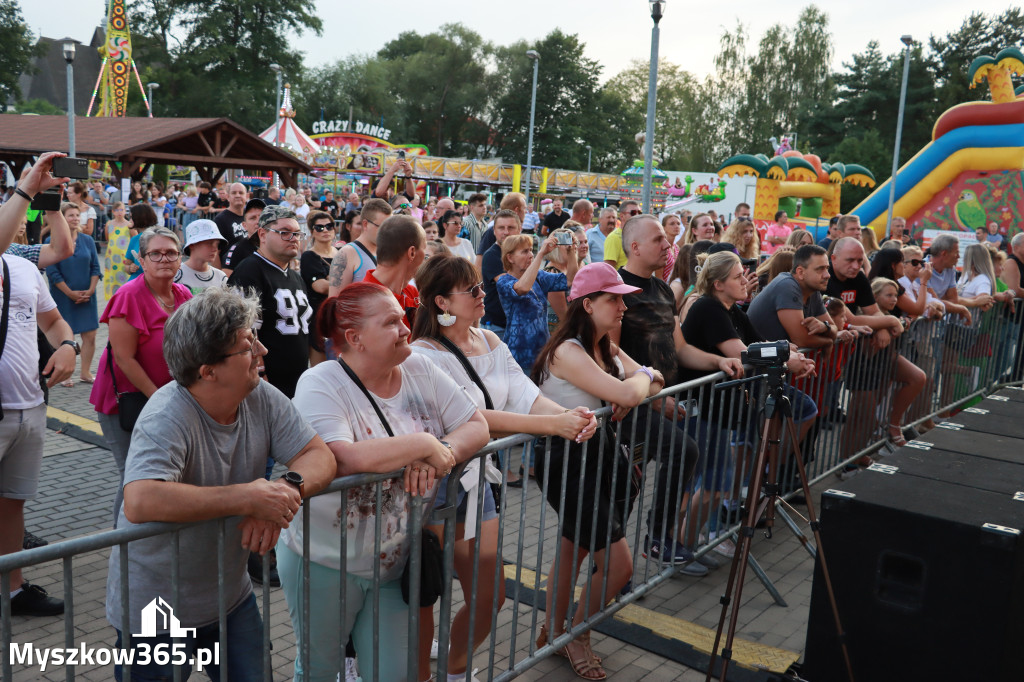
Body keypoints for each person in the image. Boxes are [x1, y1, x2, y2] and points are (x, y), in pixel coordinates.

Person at [106, 287, 335, 682]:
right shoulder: (166, 416)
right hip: (155, 613)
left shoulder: (259, 395)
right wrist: (248, 496)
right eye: (248, 345)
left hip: (230, 600)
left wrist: (285, 492)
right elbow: (140, 500)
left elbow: (319, 455)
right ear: (207, 370)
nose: (262, 351)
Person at [282, 282, 488, 682]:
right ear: (356, 338)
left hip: (393, 561)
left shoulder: (418, 367)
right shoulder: (320, 382)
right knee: (320, 671)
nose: (406, 327)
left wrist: (440, 453)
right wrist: (423, 445)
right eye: (391, 322)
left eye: (402, 316)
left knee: (396, 672)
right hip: (323, 561)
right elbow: (341, 456)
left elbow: (476, 424)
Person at [410, 255, 597, 682]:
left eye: (480, 287)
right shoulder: (424, 355)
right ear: (441, 301)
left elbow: (525, 394)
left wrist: (570, 416)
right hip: (433, 486)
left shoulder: (491, 342)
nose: (482, 295)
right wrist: (554, 424)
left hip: (478, 486)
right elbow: (473, 418)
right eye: (472, 290)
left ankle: (455, 672)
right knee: (421, 599)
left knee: (489, 596)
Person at [530, 262, 669, 679]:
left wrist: (640, 380)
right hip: (568, 459)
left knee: (574, 551)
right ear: (587, 304)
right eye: (614, 298)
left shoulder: (603, 345)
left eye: (623, 297)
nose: (623, 306)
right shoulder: (568, 351)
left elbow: (654, 379)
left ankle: (553, 632)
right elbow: (635, 388)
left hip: (599, 452)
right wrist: (636, 384)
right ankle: (577, 634)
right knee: (619, 567)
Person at [611, 215, 744, 568]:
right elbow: (609, 360)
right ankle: (650, 542)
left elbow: (681, 347)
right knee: (677, 454)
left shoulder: (662, 290)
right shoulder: (616, 289)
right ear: (635, 247)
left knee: (629, 487)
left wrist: (718, 362)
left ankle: (618, 565)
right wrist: (654, 401)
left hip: (660, 401)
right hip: (631, 405)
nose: (668, 244)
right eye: (658, 239)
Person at [680, 251, 816, 556]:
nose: (747, 280)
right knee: (710, 485)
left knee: (713, 485)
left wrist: (791, 352)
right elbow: (744, 353)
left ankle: (684, 543)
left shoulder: (732, 310)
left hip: (719, 411)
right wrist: (786, 358)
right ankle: (682, 547)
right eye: (738, 276)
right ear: (718, 284)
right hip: (703, 410)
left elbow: (762, 345)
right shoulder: (708, 308)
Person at [0, 153, 79, 617]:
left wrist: (67, 344)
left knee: (12, 504)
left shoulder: (25, 268)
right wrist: (28, 187)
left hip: (30, 405)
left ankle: (13, 589)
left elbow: (51, 321)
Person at [89, 227, 192, 523]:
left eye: (171, 253)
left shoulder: (181, 293)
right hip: (128, 402)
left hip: (166, 402)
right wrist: (159, 398)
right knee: (134, 476)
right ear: (142, 260)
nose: (164, 259)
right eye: (155, 254)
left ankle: (153, 538)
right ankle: (123, 547)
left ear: (180, 258)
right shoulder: (128, 296)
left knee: (161, 472)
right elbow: (123, 358)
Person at [227, 204, 311, 400]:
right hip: (266, 384)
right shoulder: (249, 271)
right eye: (285, 232)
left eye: (297, 233)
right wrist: (260, 372)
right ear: (263, 234)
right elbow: (242, 331)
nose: (293, 238)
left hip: (297, 383)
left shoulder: (296, 277)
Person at [497, 234, 577, 372]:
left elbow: (570, 280)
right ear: (510, 258)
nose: (530, 255)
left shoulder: (539, 276)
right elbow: (522, 288)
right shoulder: (503, 281)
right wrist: (541, 254)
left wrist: (571, 253)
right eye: (524, 251)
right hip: (519, 356)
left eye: (531, 250)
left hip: (542, 352)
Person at [45, 203, 101, 385]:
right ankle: (64, 375)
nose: (75, 218)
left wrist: (92, 290)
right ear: (62, 218)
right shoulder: (50, 241)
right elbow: (52, 273)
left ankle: (85, 372)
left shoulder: (88, 240)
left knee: (90, 335)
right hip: (63, 296)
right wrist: (70, 293)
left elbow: (95, 267)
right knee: (65, 337)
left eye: (77, 215)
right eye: (70, 215)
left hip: (87, 296)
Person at [748, 244, 844, 349]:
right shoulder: (787, 285)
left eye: (827, 268)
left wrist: (825, 327)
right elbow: (801, 340)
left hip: (777, 361)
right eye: (820, 269)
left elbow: (834, 328)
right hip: (756, 362)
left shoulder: (813, 290)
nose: (827, 275)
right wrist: (828, 342)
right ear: (800, 272)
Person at [362, 215, 425, 330]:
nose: (426, 258)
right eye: (424, 249)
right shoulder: (365, 300)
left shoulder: (411, 292)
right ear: (412, 252)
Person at [327, 198, 391, 296]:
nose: (387, 232)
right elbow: (334, 301)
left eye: (390, 227)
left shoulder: (386, 253)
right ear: (365, 224)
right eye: (382, 227)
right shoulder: (348, 253)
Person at [300, 210, 338, 366]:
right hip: (318, 318)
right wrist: (341, 280)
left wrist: (331, 279)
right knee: (321, 369)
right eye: (319, 228)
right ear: (312, 232)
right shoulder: (309, 256)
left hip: (339, 317)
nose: (325, 230)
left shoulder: (342, 254)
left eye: (329, 226)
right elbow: (320, 287)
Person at [479, 209, 523, 341]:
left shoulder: (524, 254)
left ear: (519, 229)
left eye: (511, 227)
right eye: (501, 228)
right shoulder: (491, 255)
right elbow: (513, 288)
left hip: (517, 325)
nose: (506, 232)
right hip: (496, 327)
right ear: (494, 231)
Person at [175, 219, 228, 293]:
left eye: (217, 244)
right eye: (209, 243)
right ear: (192, 245)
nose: (215, 249)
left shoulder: (220, 277)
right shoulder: (176, 275)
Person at [221, 198, 267, 277]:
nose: (258, 221)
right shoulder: (237, 251)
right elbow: (227, 282)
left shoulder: (276, 245)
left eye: (262, 217)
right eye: (252, 218)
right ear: (244, 225)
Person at [102, 202, 135, 300]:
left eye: (121, 210)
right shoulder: (109, 224)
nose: (119, 212)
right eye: (117, 210)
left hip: (124, 257)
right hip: (111, 257)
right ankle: (113, 298)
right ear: (113, 212)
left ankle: (124, 298)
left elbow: (135, 240)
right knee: (112, 278)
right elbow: (108, 238)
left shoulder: (129, 225)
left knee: (124, 277)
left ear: (125, 211)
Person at [213, 182, 249, 266]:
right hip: (229, 271)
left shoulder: (250, 217)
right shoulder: (220, 220)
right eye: (234, 193)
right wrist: (220, 277)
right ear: (228, 197)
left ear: (247, 196)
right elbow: (215, 253)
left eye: (241, 193)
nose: (237, 195)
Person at [956, 243, 997, 315]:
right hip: (953, 321)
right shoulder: (966, 274)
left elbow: (983, 300)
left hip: (966, 323)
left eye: (966, 256)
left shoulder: (983, 280)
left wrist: (954, 301)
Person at [123, 204, 160, 282]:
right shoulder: (135, 239)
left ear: (139, 218)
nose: (129, 220)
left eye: (131, 217)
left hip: (154, 283)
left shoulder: (160, 237)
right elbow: (126, 265)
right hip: (136, 284)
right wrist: (130, 268)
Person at [601, 201, 640, 268]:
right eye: (633, 213)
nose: (637, 215)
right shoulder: (614, 238)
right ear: (622, 216)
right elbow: (609, 270)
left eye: (639, 213)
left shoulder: (638, 236)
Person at [661, 213, 682, 280]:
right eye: (672, 224)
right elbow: (659, 277)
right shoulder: (662, 248)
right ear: (664, 228)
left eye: (678, 224)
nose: (676, 226)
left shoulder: (677, 247)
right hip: (664, 287)